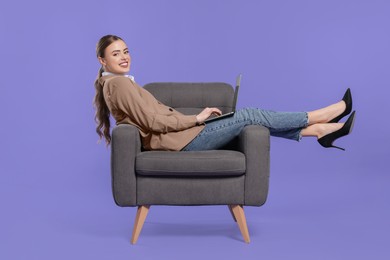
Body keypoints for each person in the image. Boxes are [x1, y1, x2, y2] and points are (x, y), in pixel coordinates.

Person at [94, 35, 355, 151]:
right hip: (182, 142)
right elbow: (153, 121)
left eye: (126, 51)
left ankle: (320, 131)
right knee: (250, 114)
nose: (124, 57)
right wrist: (197, 118)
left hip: (183, 137)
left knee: (249, 121)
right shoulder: (118, 85)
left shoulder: (119, 83)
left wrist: (199, 120)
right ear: (103, 61)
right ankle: (321, 116)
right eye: (116, 53)